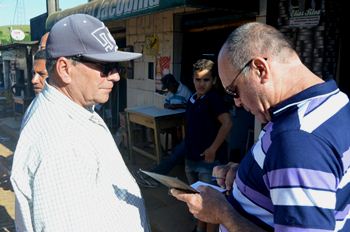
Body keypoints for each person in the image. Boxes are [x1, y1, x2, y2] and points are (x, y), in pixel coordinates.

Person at [171, 22, 350, 231]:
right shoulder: (335, 101)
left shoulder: (297, 139)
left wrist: (224, 214)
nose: (236, 102)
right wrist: (251, 175)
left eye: (234, 90)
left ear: (260, 69)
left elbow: (299, 159)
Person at [10, 14, 150, 232]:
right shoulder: (63, 143)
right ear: (65, 69)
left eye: (117, 67)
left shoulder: (71, 109)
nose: (115, 77)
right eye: (105, 67)